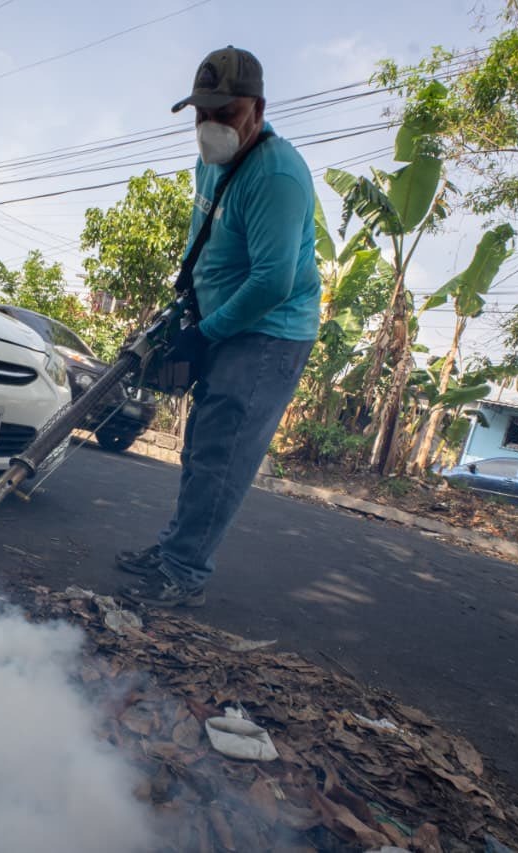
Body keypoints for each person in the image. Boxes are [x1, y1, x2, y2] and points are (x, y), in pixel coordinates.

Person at [118, 46, 321, 607]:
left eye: (225, 114)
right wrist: (187, 305)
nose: (211, 127)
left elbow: (273, 282)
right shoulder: (213, 160)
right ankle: (173, 551)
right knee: (200, 445)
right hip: (223, 319)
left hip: (269, 330)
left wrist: (207, 335)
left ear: (258, 108)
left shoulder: (277, 176)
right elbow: (202, 237)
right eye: (202, 114)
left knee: (221, 452)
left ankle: (184, 572)